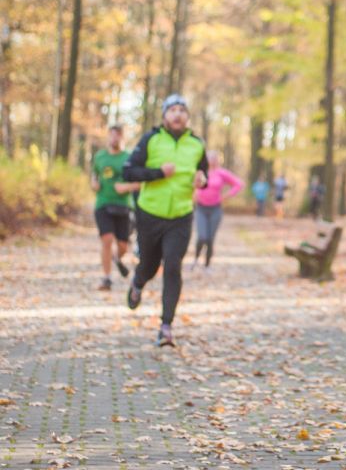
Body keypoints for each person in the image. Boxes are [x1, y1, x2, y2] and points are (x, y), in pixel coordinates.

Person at [122, 94, 208, 347]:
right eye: (173, 110)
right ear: (164, 115)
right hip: (150, 213)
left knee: (172, 265)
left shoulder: (196, 144)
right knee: (149, 265)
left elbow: (204, 175)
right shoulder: (151, 139)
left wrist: (202, 181)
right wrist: (158, 173)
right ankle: (138, 283)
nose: (178, 114)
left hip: (180, 216)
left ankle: (166, 326)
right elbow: (128, 171)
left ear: (188, 116)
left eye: (182, 110)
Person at [90, 124, 140, 291]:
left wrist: (125, 187)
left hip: (123, 206)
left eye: (117, 135)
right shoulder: (100, 157)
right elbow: (94, 174)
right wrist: (94, 183)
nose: (114, 138)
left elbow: (139, 183)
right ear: (107, 137)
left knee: (123, 246)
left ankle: (117, 259)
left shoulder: (129, 157)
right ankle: (106, 278)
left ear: (122, 138)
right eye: (111, 135)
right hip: (103, 204)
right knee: (107, 240)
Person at [192, 150, 243, 269]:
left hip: (215, 209)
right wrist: (194, 193)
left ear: (218, 160)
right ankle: (195, 258)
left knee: (210, 238)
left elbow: (239, 184)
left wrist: (226, 196)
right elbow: (192, 184)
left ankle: (207, 265)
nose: (212, 160)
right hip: (201, 208)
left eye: (214, 158)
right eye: (209, 157)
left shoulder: (222, 173)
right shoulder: (200, 171)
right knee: (202, 237)